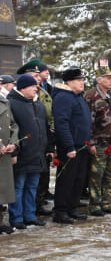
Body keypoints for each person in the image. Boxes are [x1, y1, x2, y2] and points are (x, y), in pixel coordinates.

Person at [8, 74, 52, 229]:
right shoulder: (11, 103)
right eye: (33, 86)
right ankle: (17, 218)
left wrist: (48, 148)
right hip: (22, 153)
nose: (36, 88)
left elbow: (45, 128)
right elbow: (10, 130)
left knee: (32, 186)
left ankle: (30, 216)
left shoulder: (38, 104)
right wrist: (14, 152)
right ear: (22, 88)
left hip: (37, 152)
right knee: (18, 187)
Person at [52, 67, 92, 224]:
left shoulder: (78, 97)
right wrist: (69, 146)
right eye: (78, 80)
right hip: (70, 147)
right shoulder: (63, 97)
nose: (82, 82)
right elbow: (62, 124)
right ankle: (60, 211)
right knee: (66, 180)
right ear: (69, 82)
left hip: (82, 145)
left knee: (78, 179)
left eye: (82, 79)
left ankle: (72, 208)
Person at [17, 60, 55, 216]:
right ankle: (21, 214)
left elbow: (48, 114)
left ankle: (35, 207)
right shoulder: (18, 99)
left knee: (38, 179)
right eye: (34, 76)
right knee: (22, 184)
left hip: (43, 138)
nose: (37, 80)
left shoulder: (43, 94)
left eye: (38, 76)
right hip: (26, 144)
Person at [84, 67, 111, 216]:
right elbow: (88, 122)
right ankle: (95, 204)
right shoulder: (91, 96)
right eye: (107, 78)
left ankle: (106, 202)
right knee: (96, 175)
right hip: (99, 143)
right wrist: (91, 142)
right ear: (99, 80)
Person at [0, 84, 19, 234]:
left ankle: (0, 221)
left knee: (2, 188)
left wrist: (13, 142)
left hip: (5, 152)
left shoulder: (4, 101)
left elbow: (13, 124)